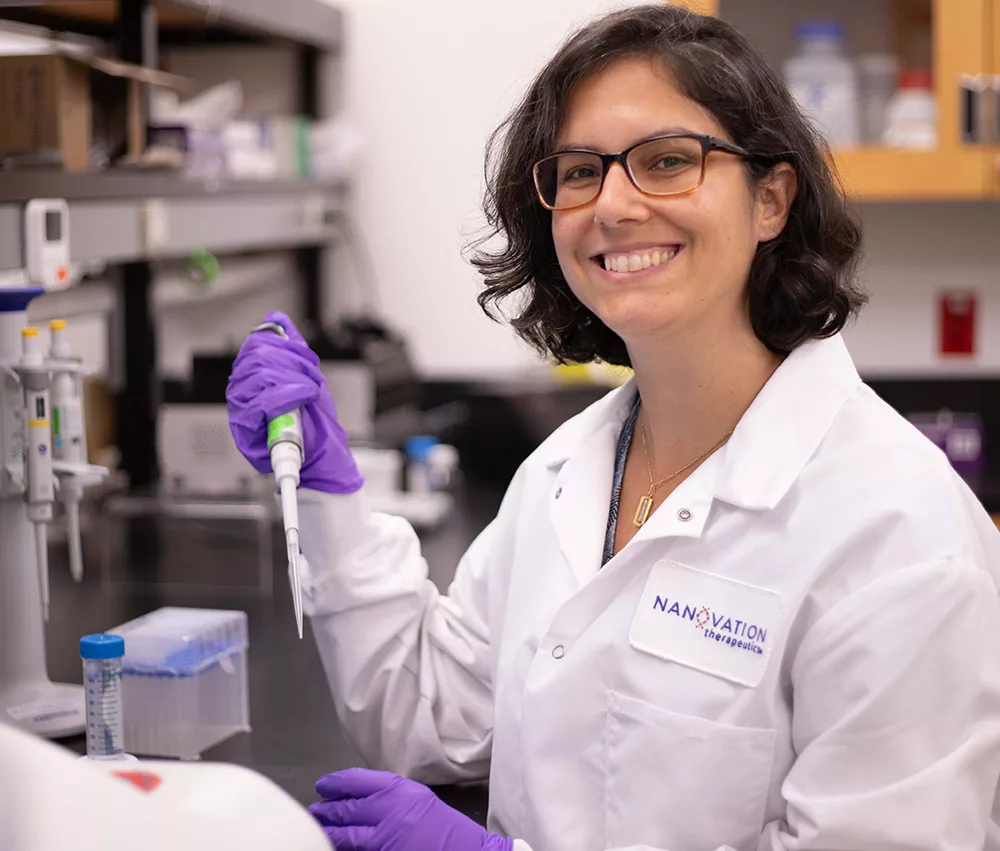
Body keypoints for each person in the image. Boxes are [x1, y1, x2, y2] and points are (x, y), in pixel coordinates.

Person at [226, 5, 1000, 851]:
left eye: (668, 161)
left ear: (771, 198)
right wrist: (333, 499)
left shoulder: (898, 538)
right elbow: (432, 714)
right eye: (582, 171)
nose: (616, 205)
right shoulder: (567, 470)